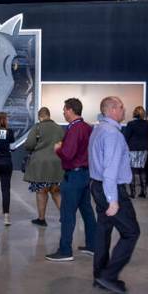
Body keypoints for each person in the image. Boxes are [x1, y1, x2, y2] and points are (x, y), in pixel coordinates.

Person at [88, 96, 140, 294]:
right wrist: (113, 200)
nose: (124, 109)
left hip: (97, 186)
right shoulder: (112, 134)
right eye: (121, 107)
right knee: (131, 232)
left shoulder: (99, 129)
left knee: (103, 230)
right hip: (110, 188)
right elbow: (110, 169)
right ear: (111, 110)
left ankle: (99, 275)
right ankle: (108, 276)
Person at [46, 97, 98, 262]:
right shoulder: (87, 127)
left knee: (67, 213)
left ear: (70, 110)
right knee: (87, 211)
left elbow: (68, 153)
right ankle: (93, 245)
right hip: (85, 174)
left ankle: (65, 250)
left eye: (64, 109)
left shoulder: (75, 129)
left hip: (74, 175)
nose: (63, 112)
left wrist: (58, 149)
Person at [23, 107, 65, 227]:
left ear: (39, 117)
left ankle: (41, 219)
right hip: (57, 164)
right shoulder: (59, 128)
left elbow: (29, 144)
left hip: (40, 165)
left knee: (41, 192)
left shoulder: (37, 127)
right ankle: (65, 217)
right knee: (56, 192)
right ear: (49, 115)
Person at [123, 106, 148, 198]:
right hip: (144, 148)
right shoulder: (147, 123)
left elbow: (126, 137)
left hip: (133, 149)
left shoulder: (131, 124)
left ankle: (133, 192)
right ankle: (143, 192)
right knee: (143, 170)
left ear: (134, 113)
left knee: (131, 170)